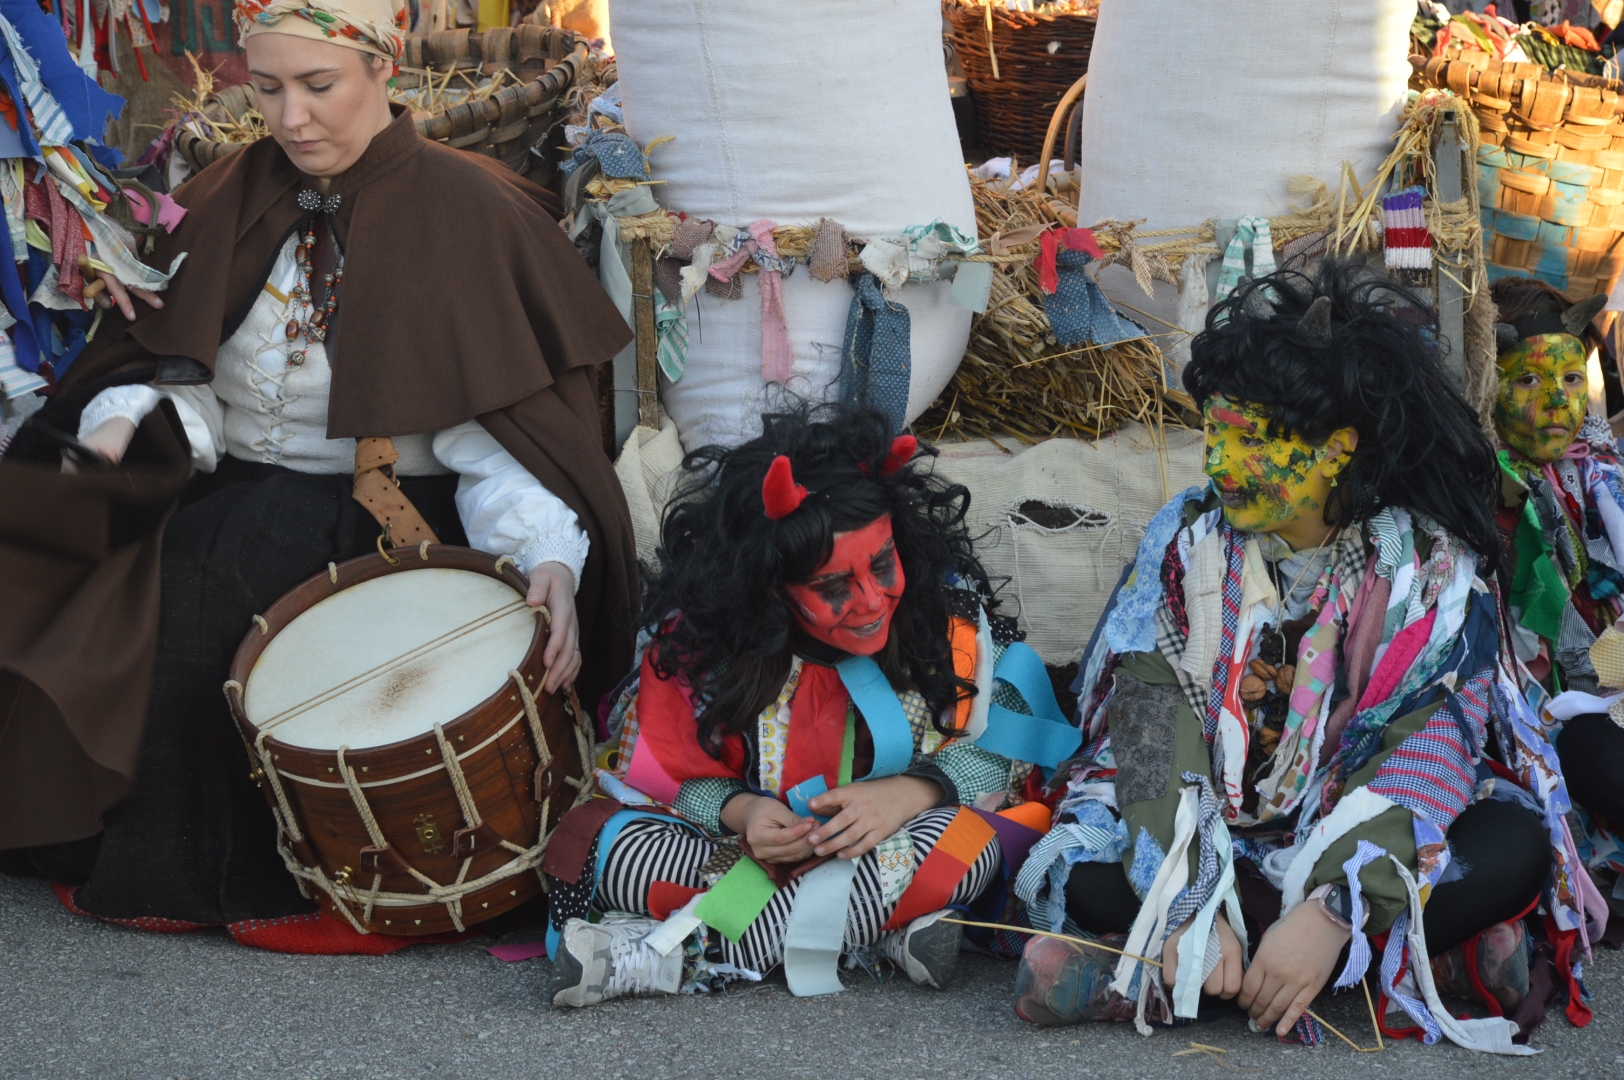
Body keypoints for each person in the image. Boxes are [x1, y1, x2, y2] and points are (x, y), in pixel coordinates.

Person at [0, 0, 638, 944]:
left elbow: (499, 441)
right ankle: (135, 850)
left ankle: (316, 883)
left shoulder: (475, 213)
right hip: (235, 483)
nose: (291, 118)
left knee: (232, 604)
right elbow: (189, 379)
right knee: (112, 569)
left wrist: (546, 553)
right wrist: (123, 434)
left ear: (383, 72)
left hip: (393, 513)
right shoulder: (227, 195)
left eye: (317, 86)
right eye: (267, 90)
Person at [1013, 264, 1584, 1052]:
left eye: (1251, 442)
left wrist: (1332, 908)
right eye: (1214, 434)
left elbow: (1434, 747)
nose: (1220, 466)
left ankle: (1178, 973)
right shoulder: (1189, 545)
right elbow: (1143, 718)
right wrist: (1188, 895)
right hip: (1210, 836)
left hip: (1347, 841)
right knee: (1079, 864)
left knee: (1513, 848)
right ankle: (1353, 959)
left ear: (1338, 450)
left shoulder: (1426, 570)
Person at [542, 404, 1076, 1005]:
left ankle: (674, 957)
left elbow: (1009, 750)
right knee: (600, 844)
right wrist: (743, 812)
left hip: (892, 848)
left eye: (881, 565)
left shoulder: (946, 619)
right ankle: (876, 936)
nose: (872, 601)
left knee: (967, 844)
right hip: (744, 856)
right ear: (769, 586)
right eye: (833, 587)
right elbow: (659, 772)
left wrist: (911, 794)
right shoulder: (701, 646)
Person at [1488, 276, 1624, 917]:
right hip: (1549, 719)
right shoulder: (1478, 495)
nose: (1556, 405)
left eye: (1571, 381)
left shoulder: (1600, 472)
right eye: (1527, 381)